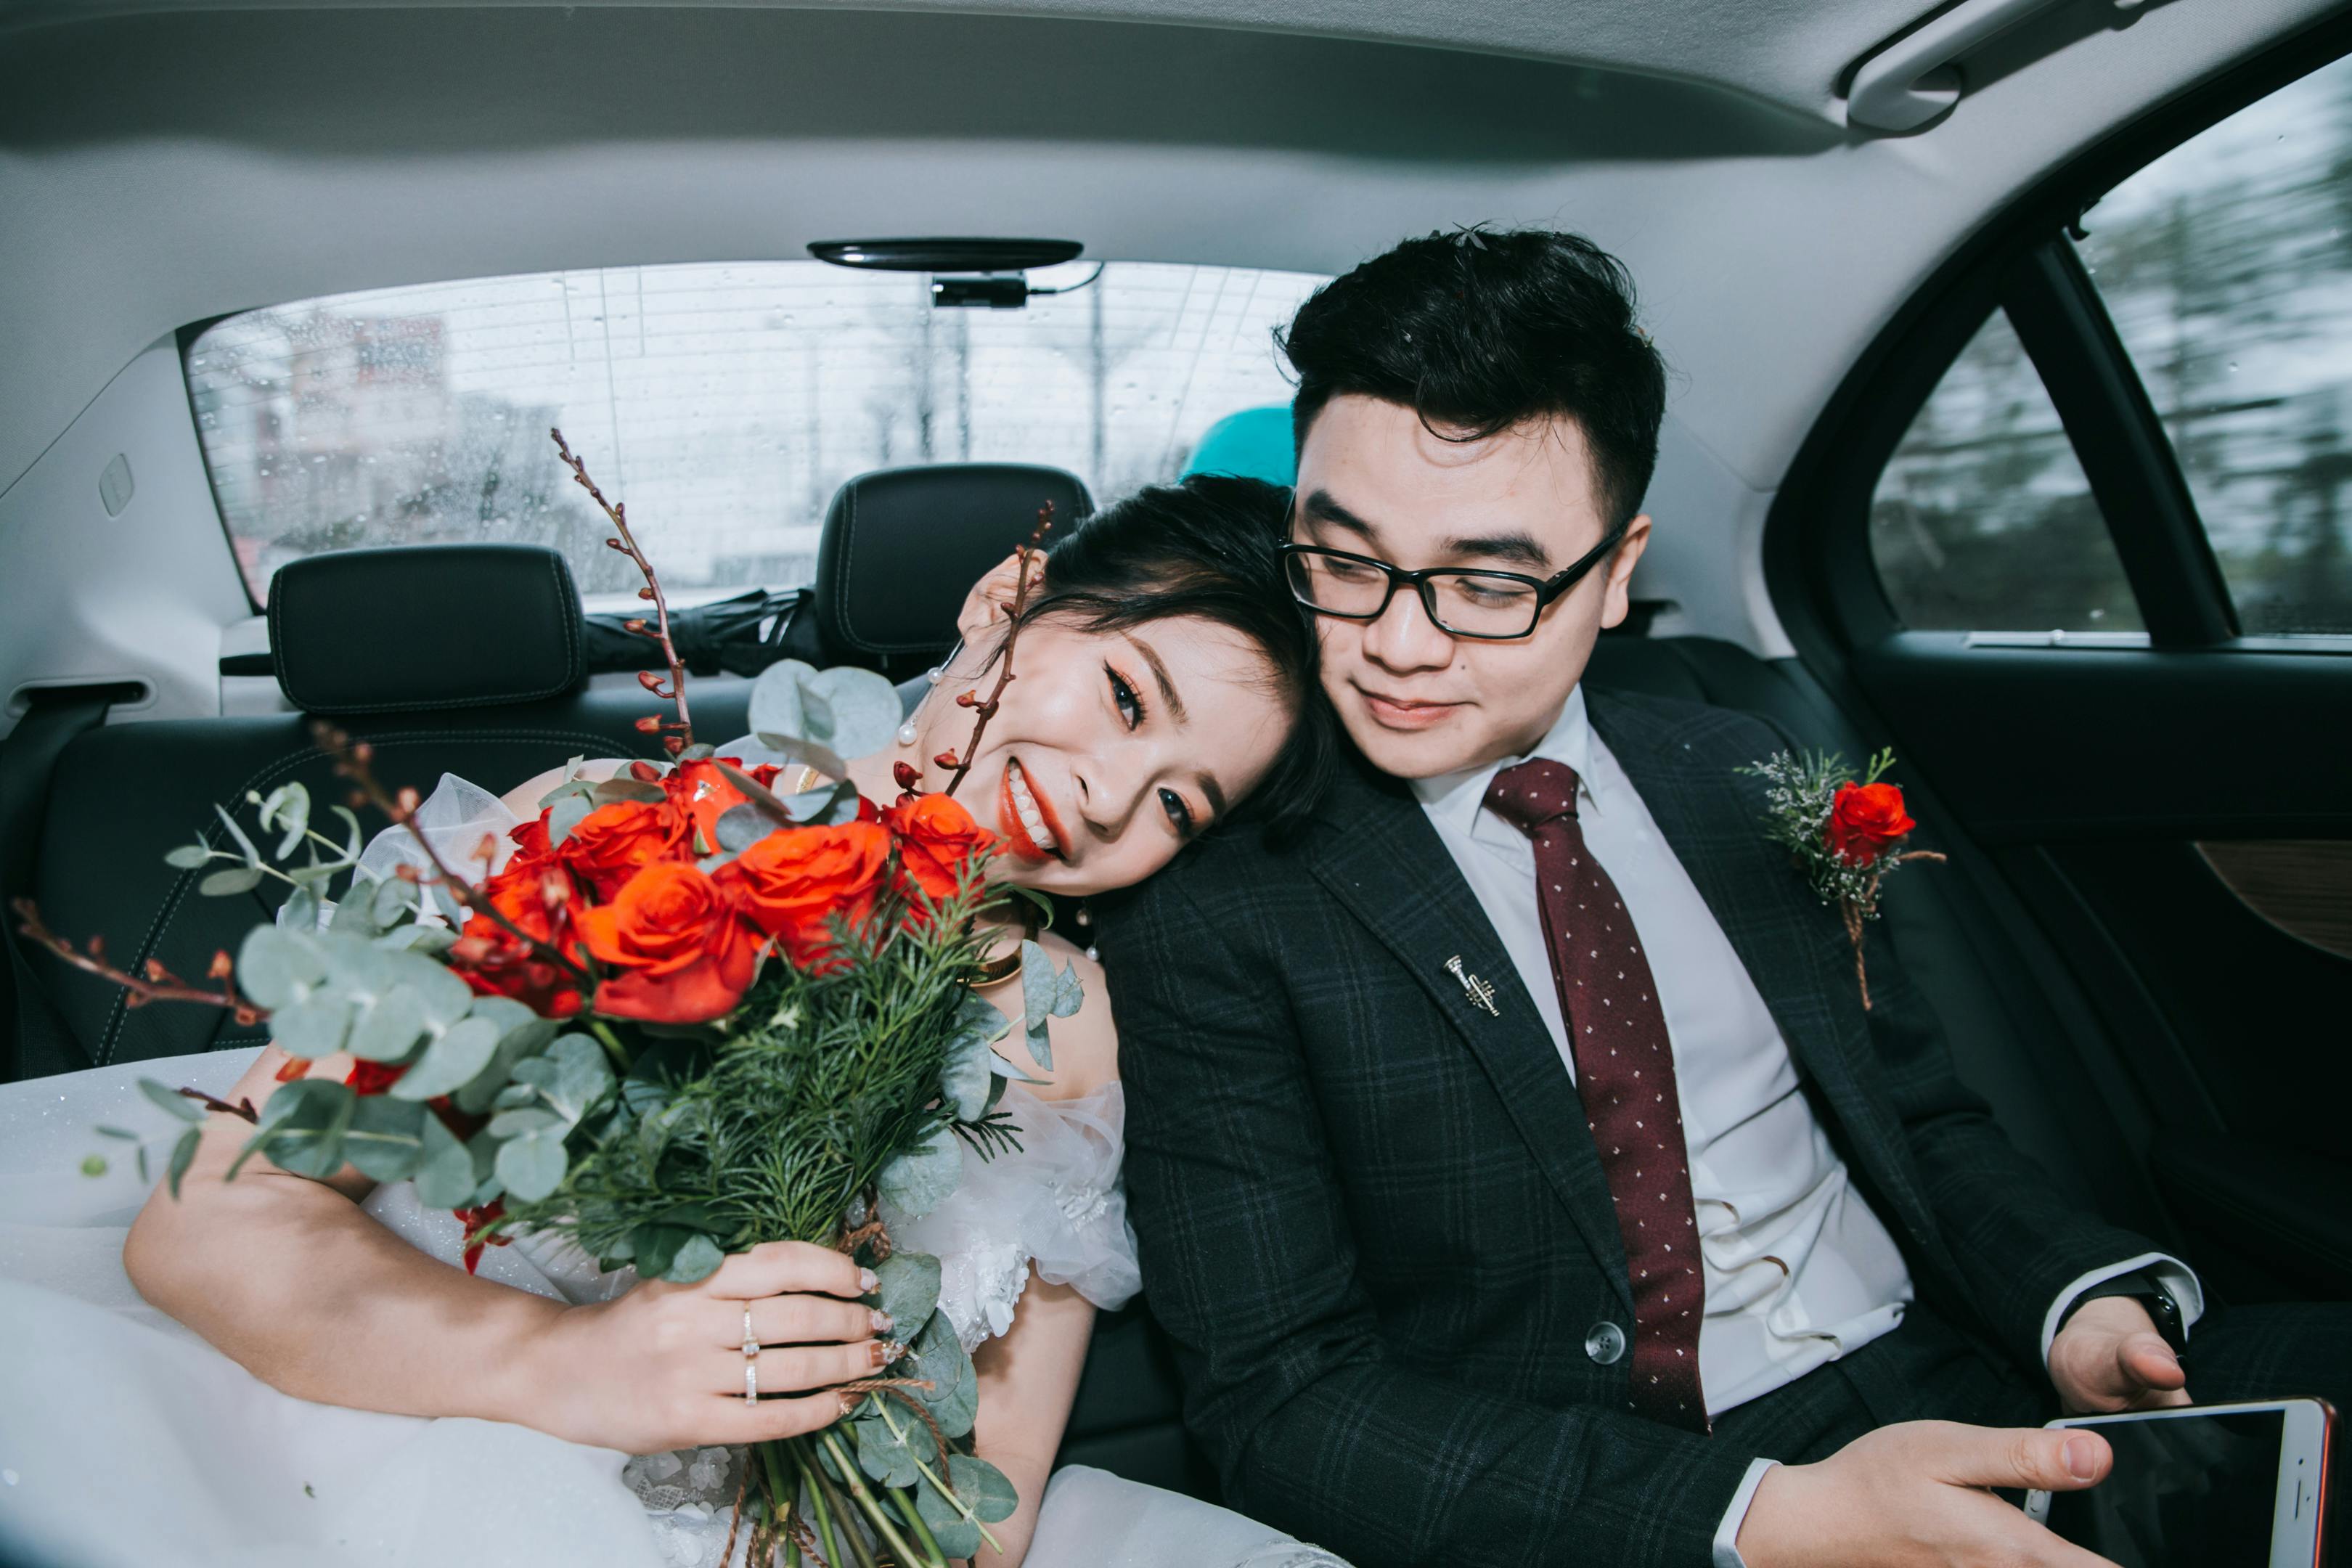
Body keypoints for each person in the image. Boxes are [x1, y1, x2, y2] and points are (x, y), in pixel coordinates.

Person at [1098, 230, 2351, 1568]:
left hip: (1974, 1372)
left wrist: (2077, 1308)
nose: (1399, 645)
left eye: (1492, 584)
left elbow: (1920, 1120)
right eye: (1345, 563)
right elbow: (1284, 1400)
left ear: (1618, 569)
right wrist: (1764, 1519)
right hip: (1625, 1495)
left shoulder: (1738, 769)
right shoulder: (1221, 899)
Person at [0, 475, 1352, 1568]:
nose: (1114, 800)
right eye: (1125, 700)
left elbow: (989, 1492)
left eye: (1182, 804)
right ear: (1012, 600)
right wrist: (588, 1365)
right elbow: (213, 1215)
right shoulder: (617, 843)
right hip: (411, 1433)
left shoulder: (1078, 1042)